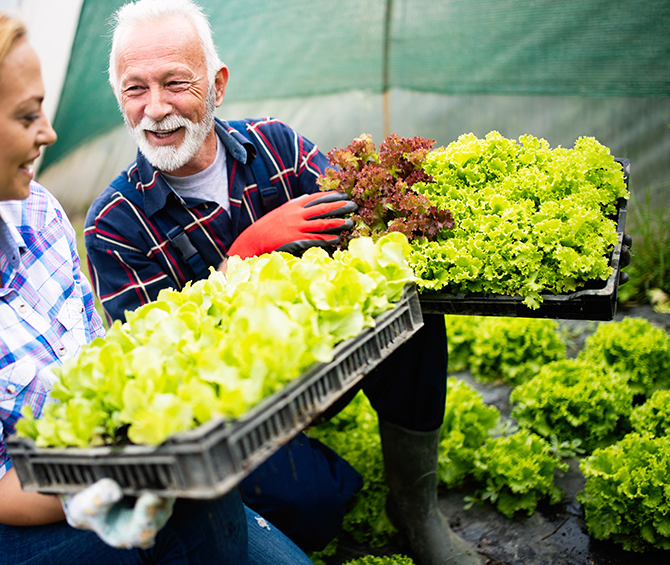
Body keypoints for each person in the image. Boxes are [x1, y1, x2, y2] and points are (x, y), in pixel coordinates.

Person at [0, 1, 314, 564]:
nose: (49, 132)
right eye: (25, 116)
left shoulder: (34, 211)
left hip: (97, 462)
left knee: (269, 511)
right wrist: (144, 474)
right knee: (198, 513)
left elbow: (100, 364)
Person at [84, 1, 484, 564]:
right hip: (236, 415)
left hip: (331, 360)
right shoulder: (114, 224)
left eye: (176, 83)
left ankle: (417, 512)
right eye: (135, 89)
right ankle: (315, 473)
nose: (155, 108)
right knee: (317, 510)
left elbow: (363, 231)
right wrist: (243, 254)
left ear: (217, 84)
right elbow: (156, 361)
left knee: (413, 309)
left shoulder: (276, 146)